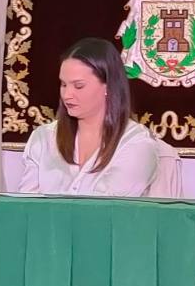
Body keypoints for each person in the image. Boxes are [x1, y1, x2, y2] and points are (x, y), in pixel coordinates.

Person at [18, 37, 158, 196]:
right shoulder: (43, 138)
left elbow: (108, 206)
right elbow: (26, 203)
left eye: (79, 86)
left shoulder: (137, 142)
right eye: (63, 85)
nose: (67, 95)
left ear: (108, 86)